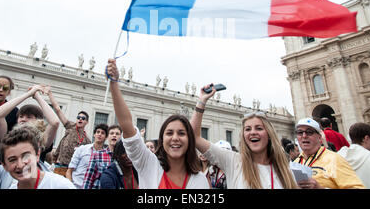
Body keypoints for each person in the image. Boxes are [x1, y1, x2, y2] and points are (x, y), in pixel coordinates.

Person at [107, 58, 209, 189]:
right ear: (162, 139)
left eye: (182, 133)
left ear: (189, 139)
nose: (175, 138)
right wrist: (114, 84)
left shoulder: (200, 181)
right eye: (169, 133)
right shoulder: (148, 164)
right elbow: (127, 126)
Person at [191, 84, 298, 189]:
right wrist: (202, 101)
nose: (253, 132)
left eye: (259, 128)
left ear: (269, 135)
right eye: (247, 129)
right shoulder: (233, 162)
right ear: (243, 136)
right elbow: (194, 137)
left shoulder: (285, 171)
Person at [0, 114, 53, 188]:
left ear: (38, 148)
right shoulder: (6, 169)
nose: (20, 165)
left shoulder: (52, 177)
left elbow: (55, 123)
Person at [0, 84, 60, 162]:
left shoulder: (42, 140)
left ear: (38, 121)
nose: (23, 120)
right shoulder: (8, 136)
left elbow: (55, 122)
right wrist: (29, 93)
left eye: (29, 117)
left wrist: (37, 96)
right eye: (21, 116)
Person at [294, 117, 365, 189]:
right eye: (300, 132)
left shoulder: (335, 160)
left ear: (319, 137)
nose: (304, 136)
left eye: (309, 132)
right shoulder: (296, 163)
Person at [0, 124, 75, 189]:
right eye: (12, 160)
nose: (20, 165)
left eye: (26, 156)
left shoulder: (60, 185)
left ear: (37, 155)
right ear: (4, 165)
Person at [46, 85, 91, 177]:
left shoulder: (87, 141)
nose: (80, 119)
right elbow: (58, 110)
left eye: (83, 118)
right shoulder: (70, 126)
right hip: (59, 167)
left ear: (87, 122)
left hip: (72, 172)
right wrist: (49, 93)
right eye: (78, 117)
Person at [66, 124, 112, 189]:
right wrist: (70, 186)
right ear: (94, 134)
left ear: (106, 137)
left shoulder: (105, 156)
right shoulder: (82, 149)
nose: (99, 134)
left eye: (102, 133)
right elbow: (69, 171)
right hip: (75, 186)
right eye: (98, 132)